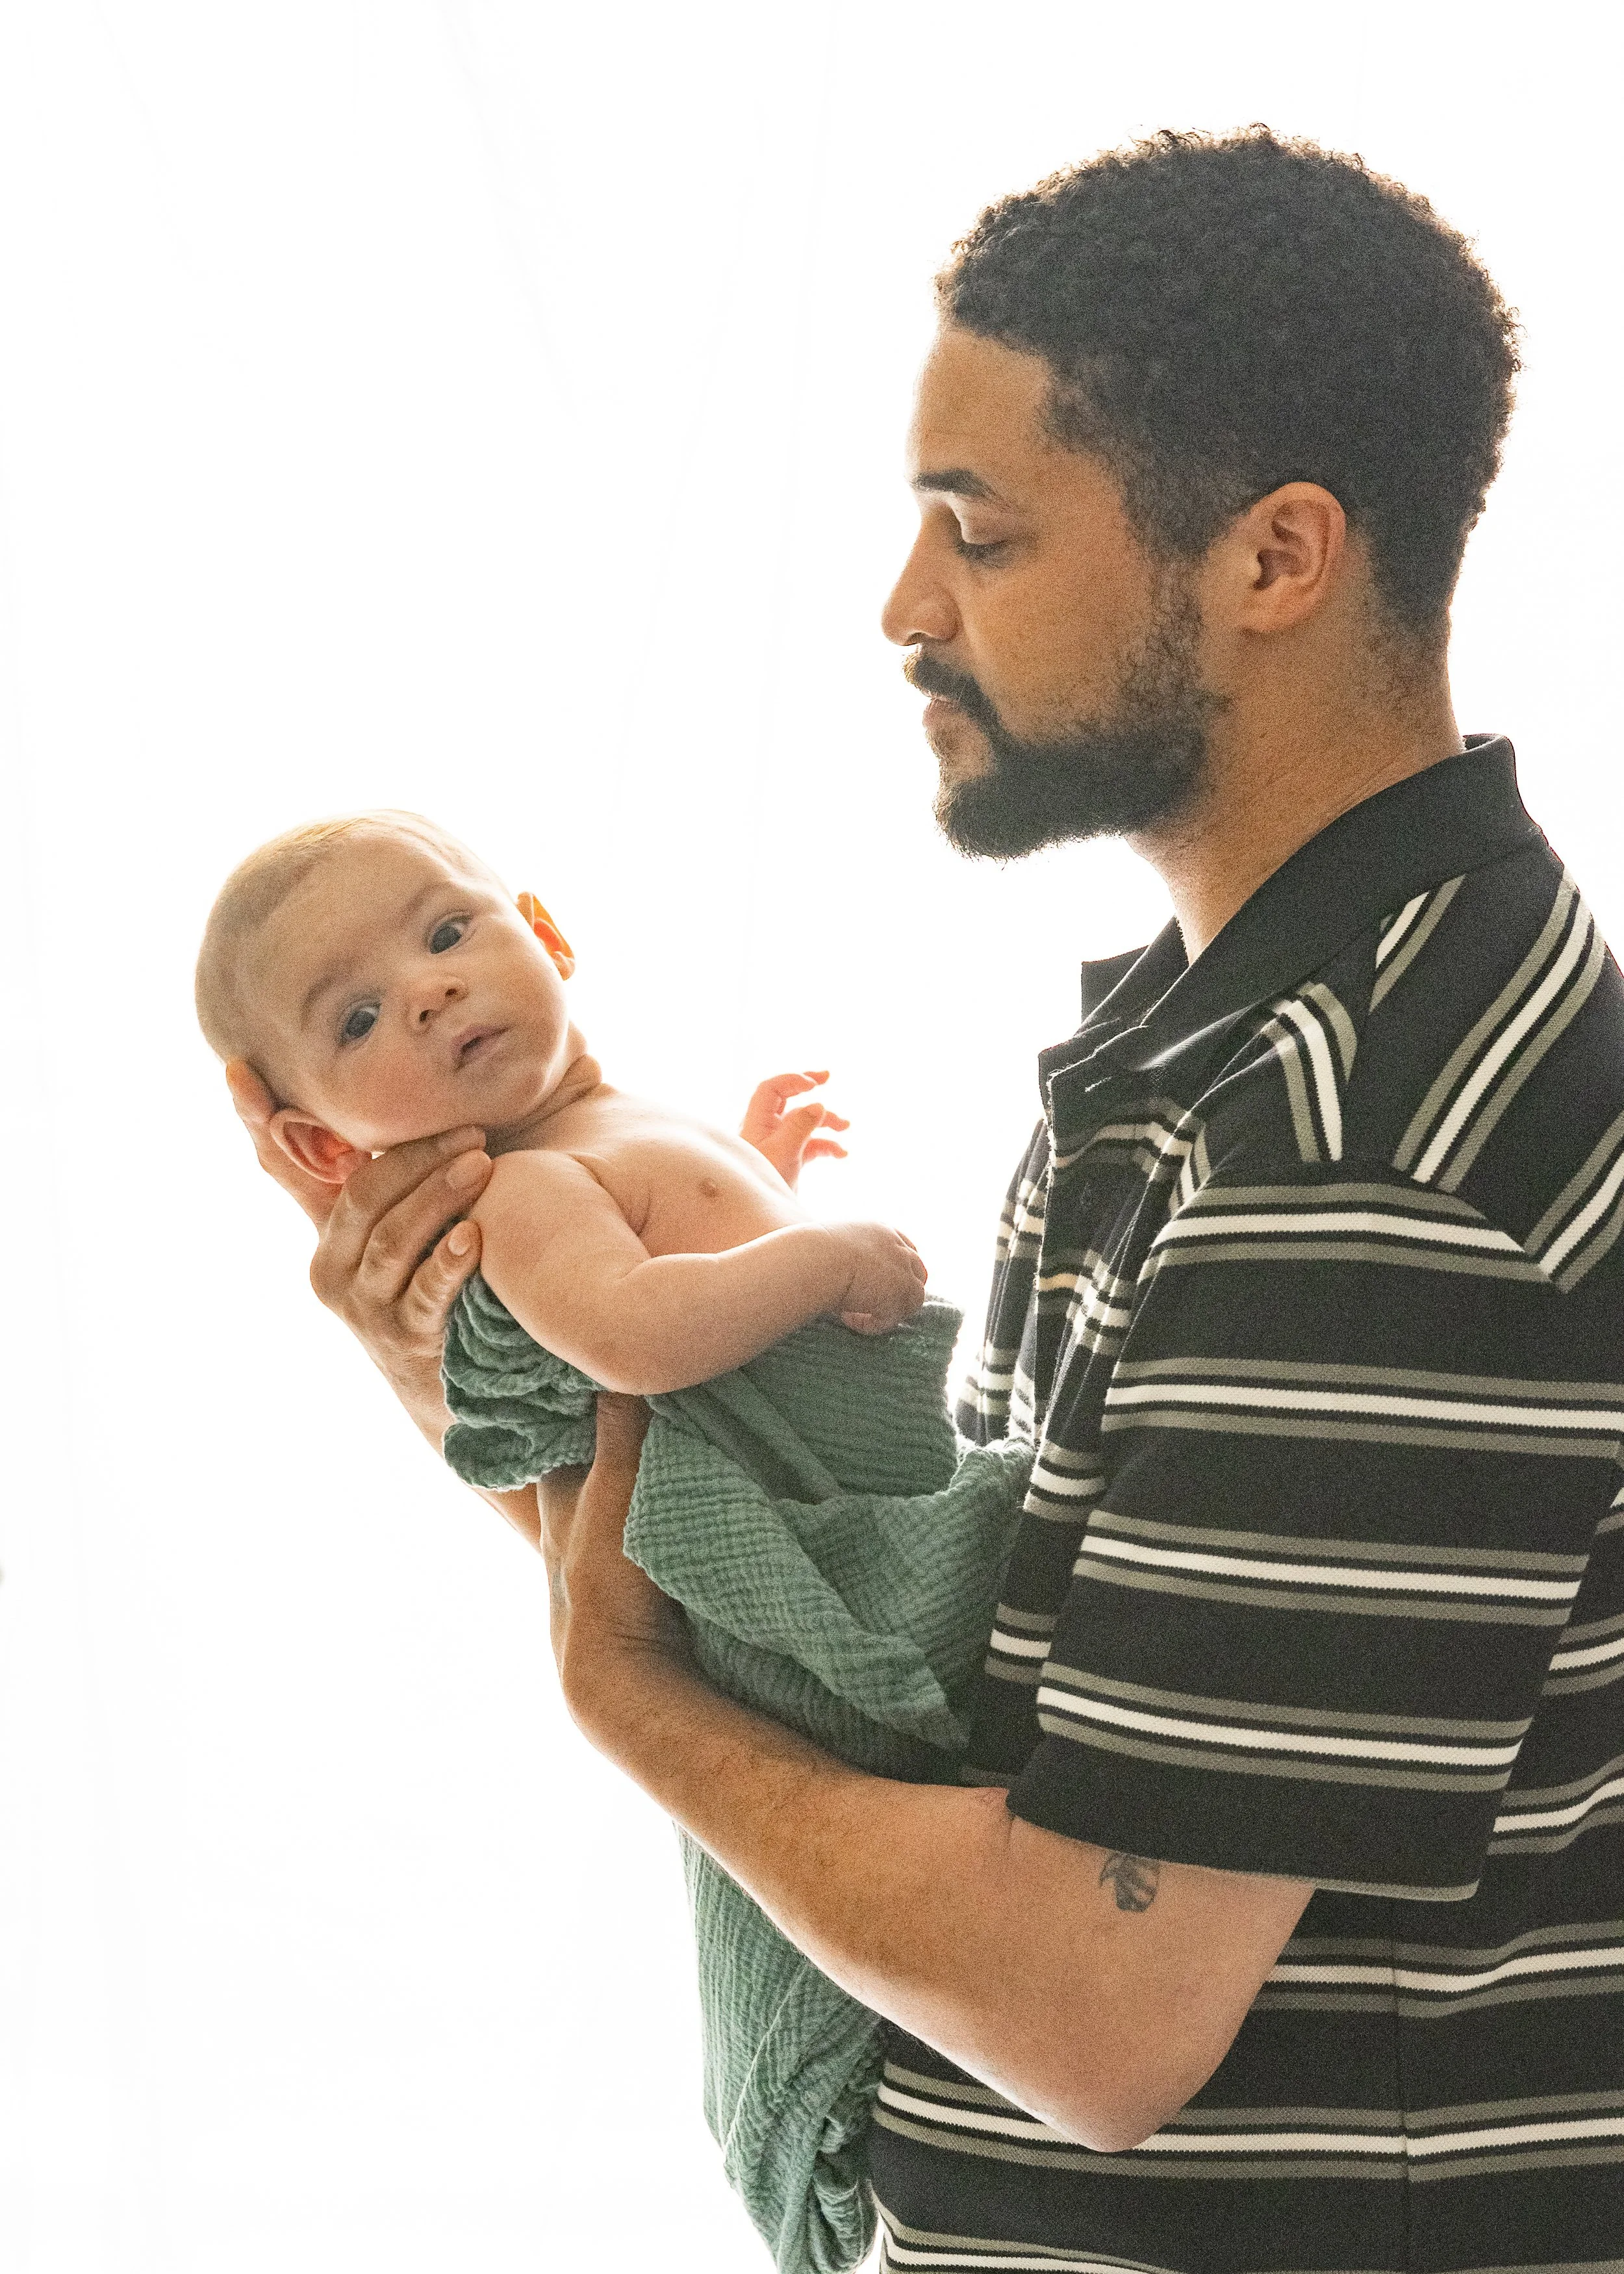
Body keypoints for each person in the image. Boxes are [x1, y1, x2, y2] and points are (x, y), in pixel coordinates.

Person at [230, 127, 1624, 2271]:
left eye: (974, 535)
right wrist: (472, 1385)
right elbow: (966, 1693)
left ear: (1273, 558)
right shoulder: (1239, 1041)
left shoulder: (1363, 1145)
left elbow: (1097, 2007)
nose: (901, 609)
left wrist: (620, 1696)